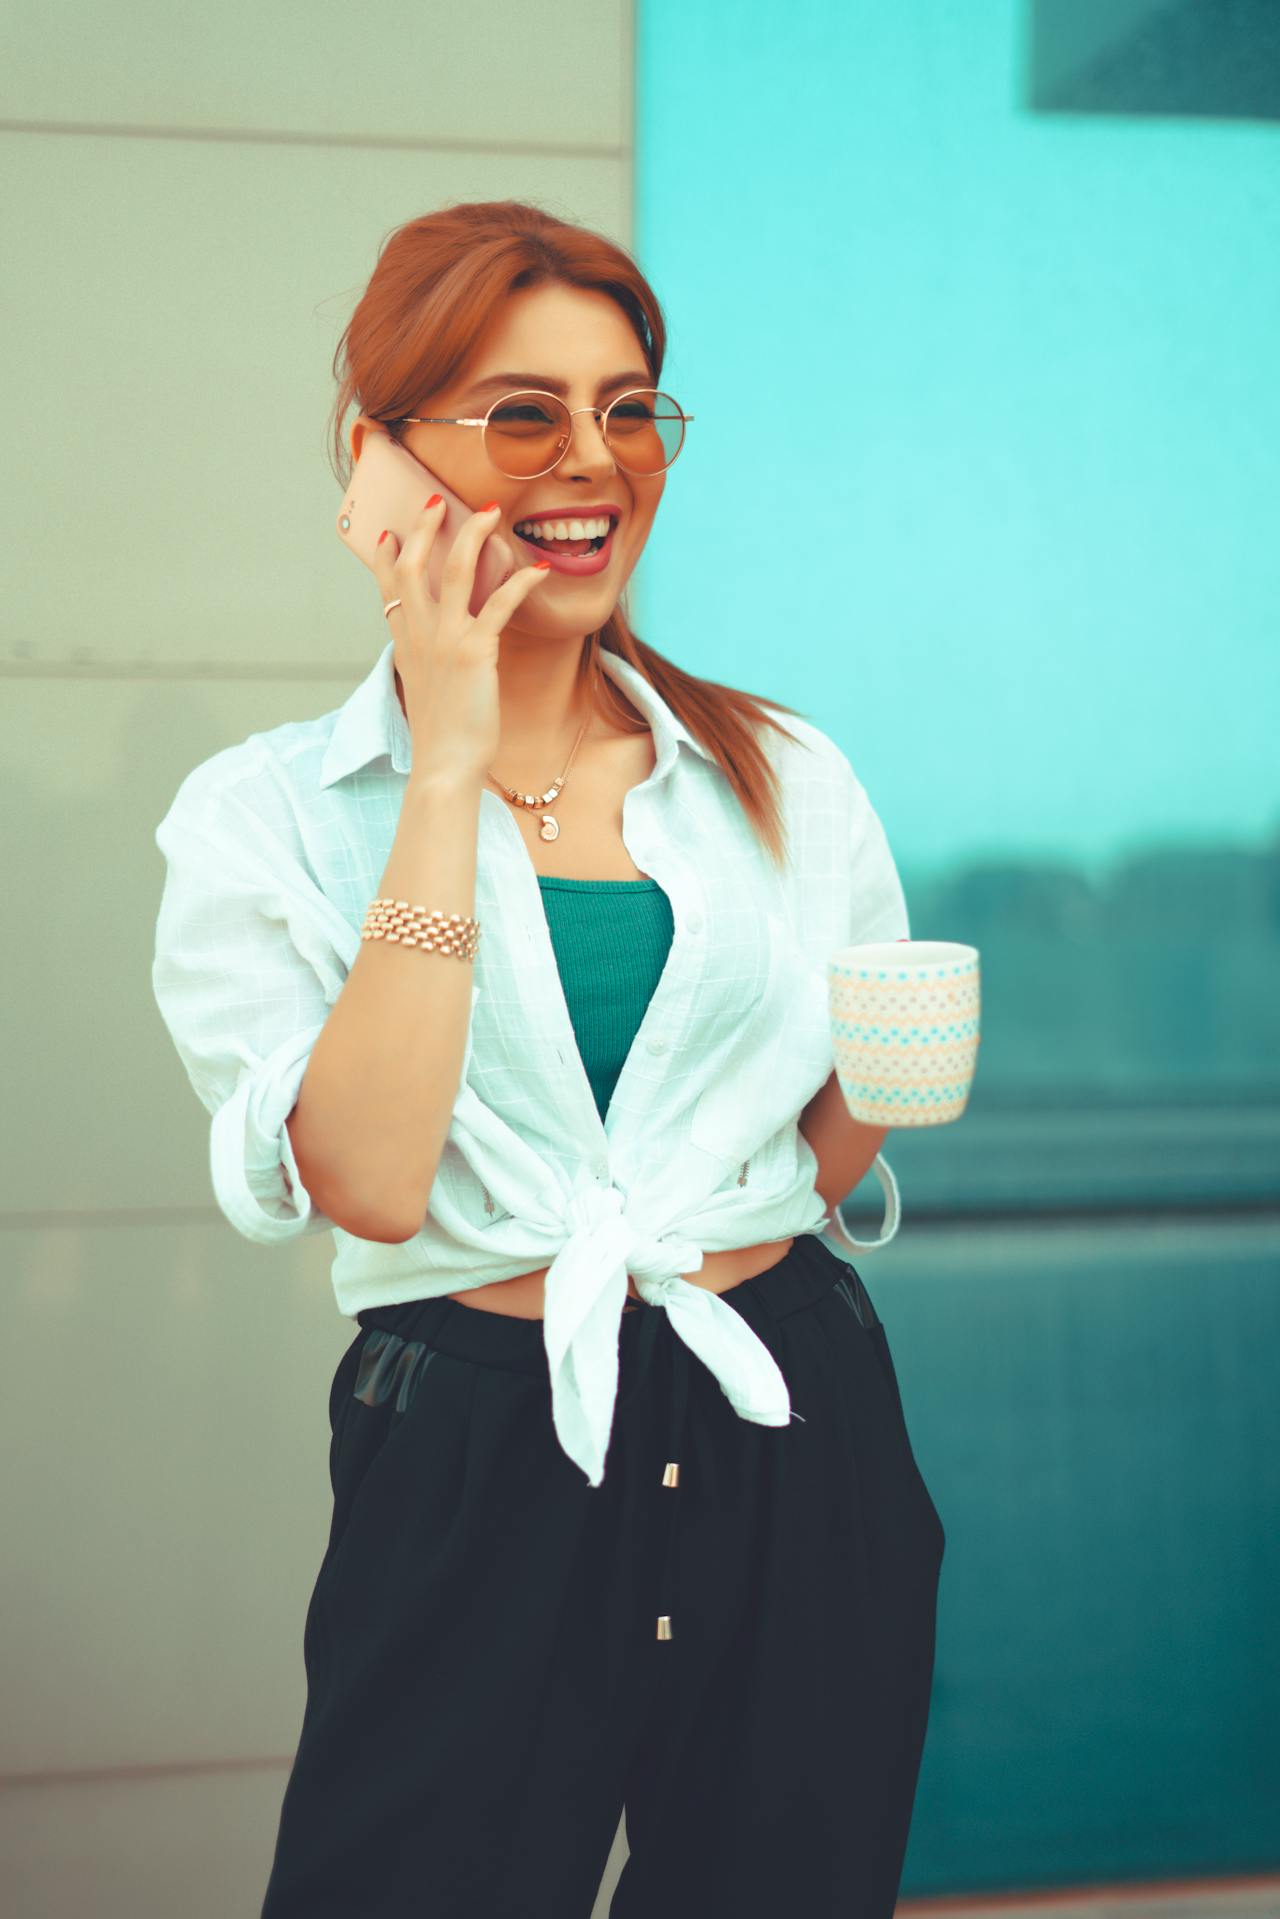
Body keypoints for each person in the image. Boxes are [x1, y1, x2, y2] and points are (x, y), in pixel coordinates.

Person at [150, 199, 945, 1919]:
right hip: (481, 1446)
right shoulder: (269, 817)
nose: (593, 458)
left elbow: (821, 1139)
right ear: (381, 460)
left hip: (791, 1422)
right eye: (523, 412)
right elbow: (363, 1173)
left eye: (628, 405)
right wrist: (445, 763)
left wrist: (866, 1093)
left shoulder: (782, 774)